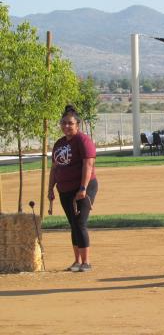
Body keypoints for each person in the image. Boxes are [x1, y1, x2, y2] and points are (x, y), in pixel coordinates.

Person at [48, 105, 98, 272]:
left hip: (83, 187)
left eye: (70, 123)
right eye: (63, 123)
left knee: (80, 222)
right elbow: (54, 168)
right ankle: (77, 261)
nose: (66, 126)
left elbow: (88, 164)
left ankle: (86, 262)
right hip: (65, 189)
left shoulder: (83, 140)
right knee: (73, 224)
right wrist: (50, 189)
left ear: (78, 124)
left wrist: (83, 188)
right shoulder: (59, 143)